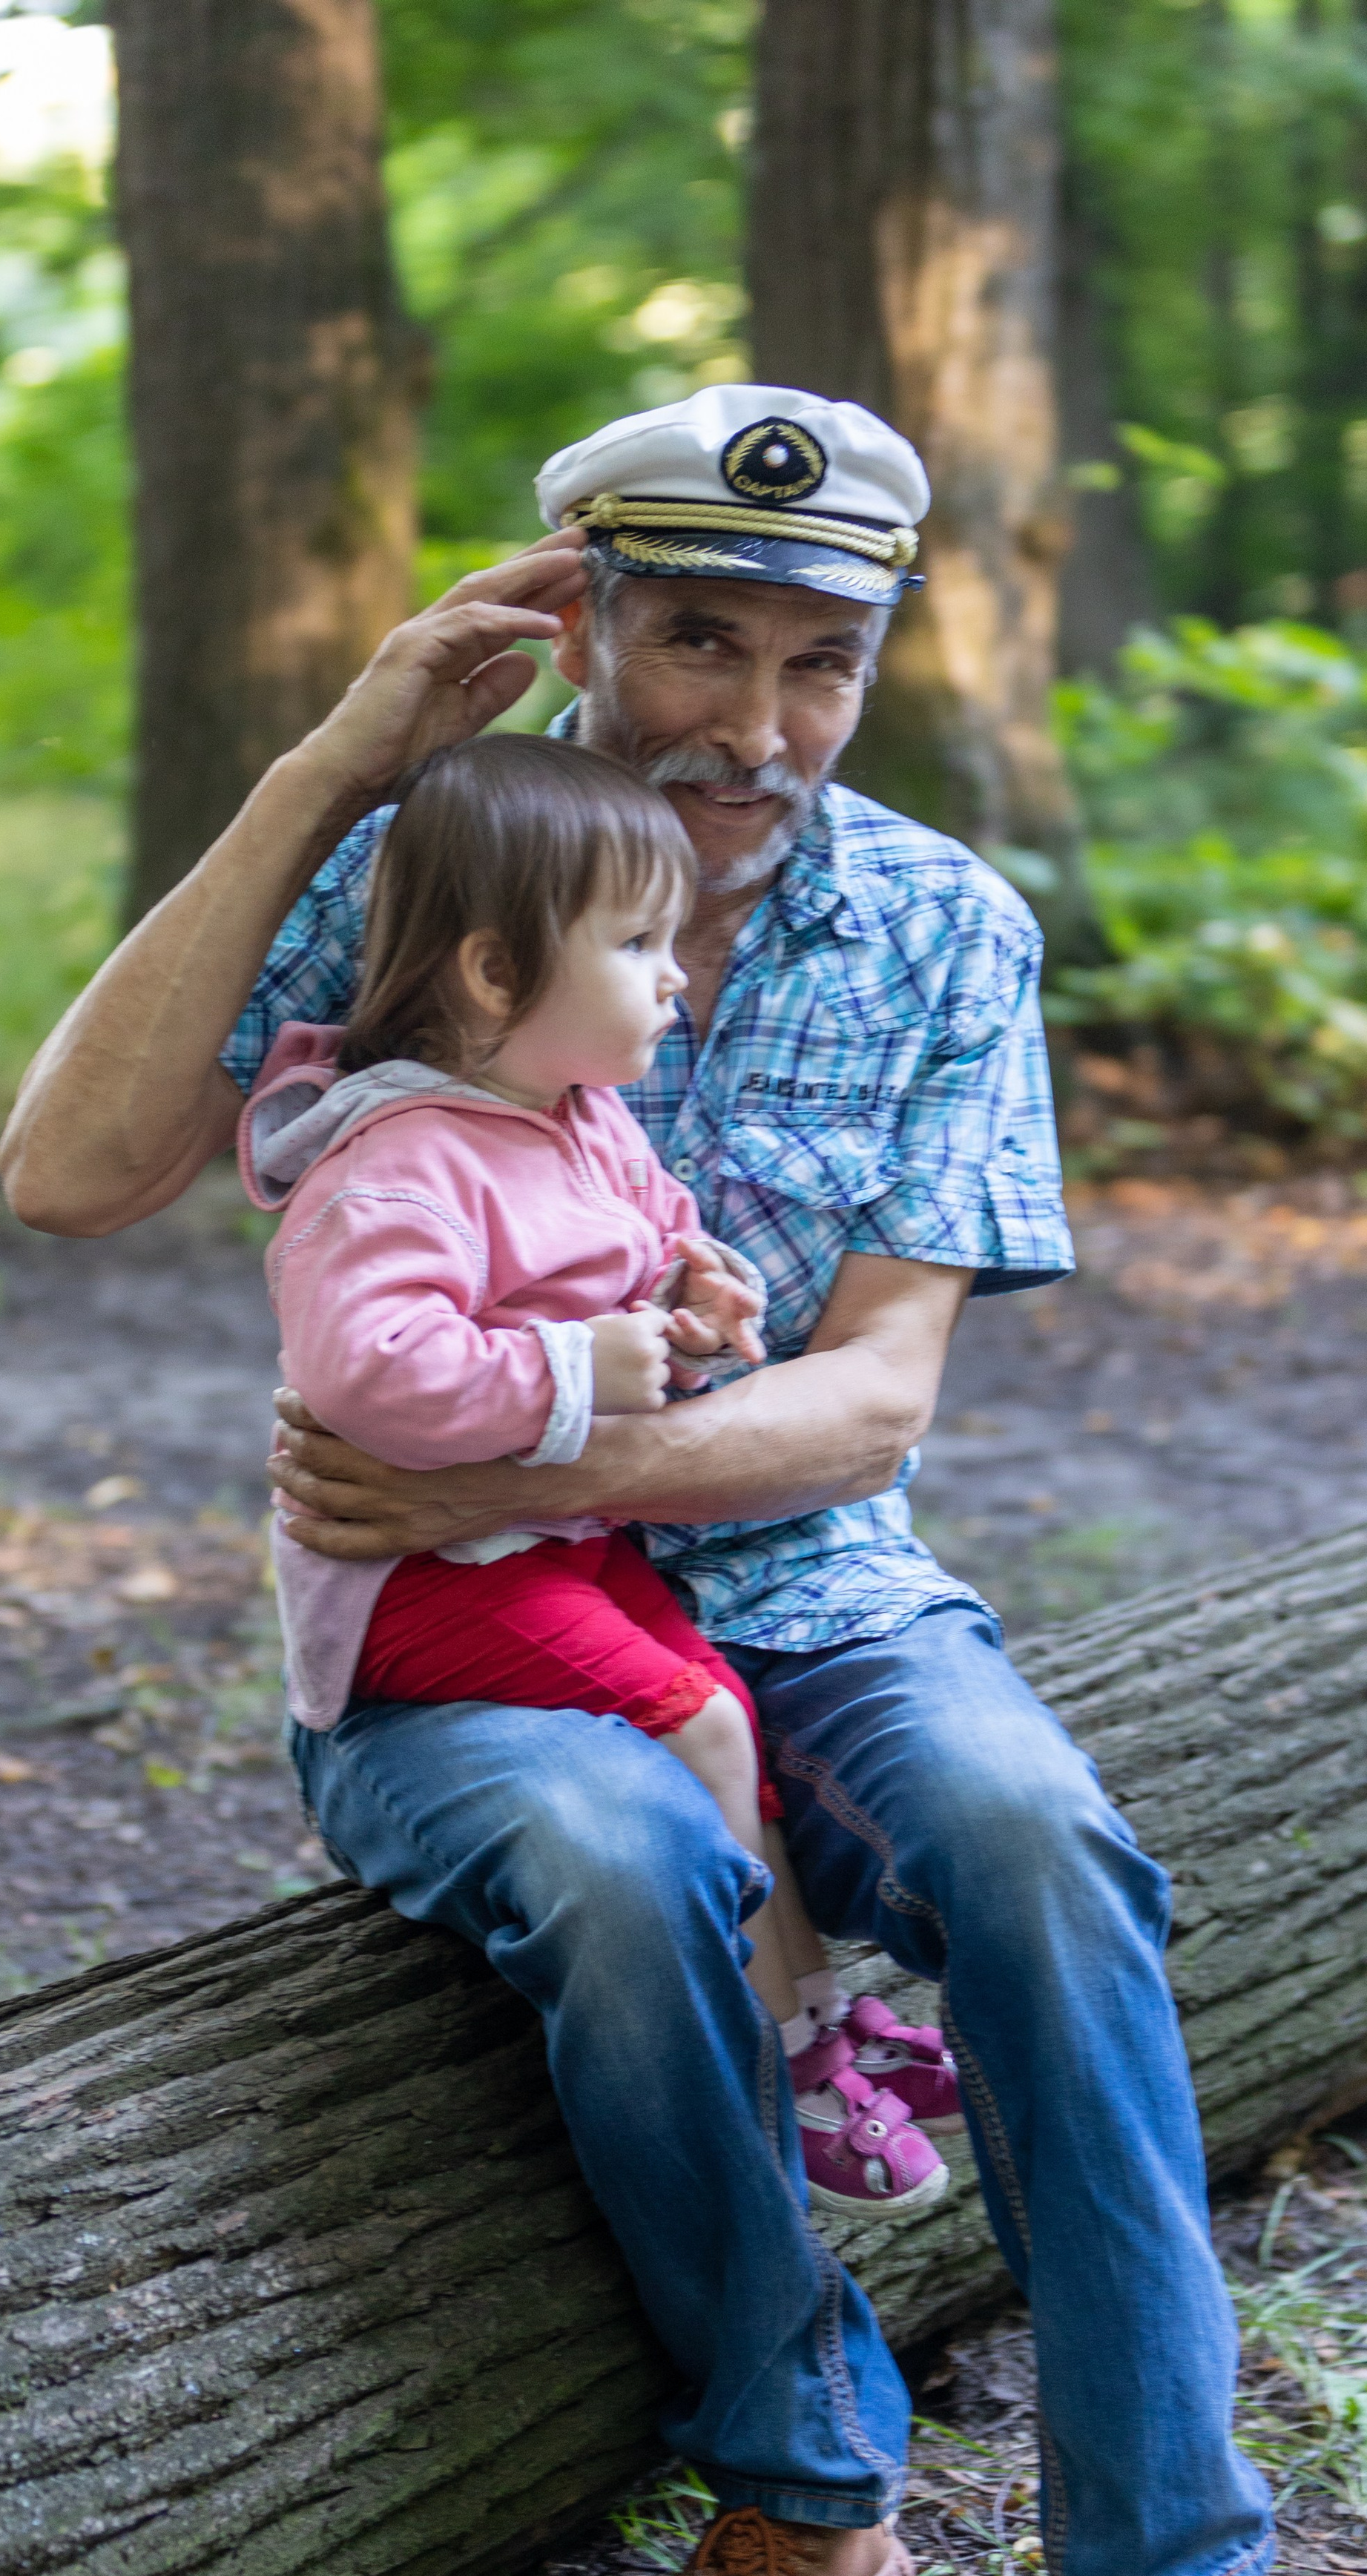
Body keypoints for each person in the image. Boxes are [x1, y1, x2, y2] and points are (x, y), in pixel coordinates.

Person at [0, 385, 1356, 2576]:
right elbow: (71, 1172)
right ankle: (806, 2489)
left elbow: (869, 1409)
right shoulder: (429, 868)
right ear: (577, 619)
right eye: (695, 641)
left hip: (801, 1595)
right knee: (624, 1874)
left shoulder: (945, 924)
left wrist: (505, 1445)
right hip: (469, 1638)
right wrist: (333, 759)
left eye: (816, 662)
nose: (750, 725)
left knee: (1038, 1844)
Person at [240, 728, 953, 2218]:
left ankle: (813, 2005)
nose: (674, 970)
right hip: (417, 1582)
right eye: (634, 942)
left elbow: (649, 1250)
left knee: (729, 1703)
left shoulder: (579, 1119)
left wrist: (699, 1306)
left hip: (542, 1539)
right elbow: (369, 1370)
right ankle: (782, 2066)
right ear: (497, 976)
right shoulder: (395, 1160)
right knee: (692, 1721)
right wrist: (579, 1375)